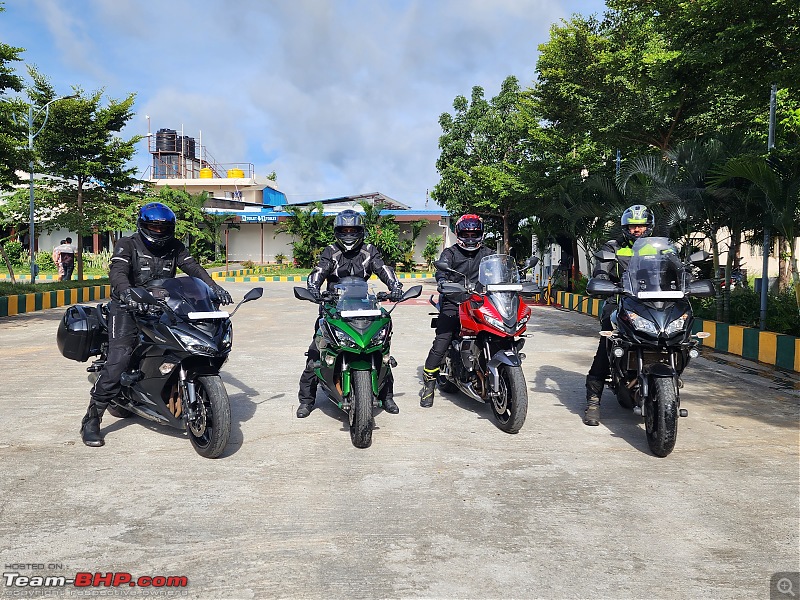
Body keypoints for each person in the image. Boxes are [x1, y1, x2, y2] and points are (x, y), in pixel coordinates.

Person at [80, 202, 233, 447]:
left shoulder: (175, 247)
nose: (159, 232)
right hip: (128, 306)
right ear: (143, 225)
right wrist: (127, 293)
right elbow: (117, 273)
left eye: (164, 228)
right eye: (154, 227)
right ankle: (92, 420)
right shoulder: (127, 244)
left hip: (163, 305)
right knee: (119, 358)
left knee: (186, 342)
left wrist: (213, 287)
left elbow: (193, 268)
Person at [296, 209, 404, 418]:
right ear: (337, 231)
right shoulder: (330, 251)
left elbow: (383, 269)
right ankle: (306, 401)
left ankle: (387, 396)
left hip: (365, 306)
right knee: (315, 353)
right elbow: (318, 272)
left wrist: (395, 286)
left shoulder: (369, 251)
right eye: (344, 230)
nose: (348, 234)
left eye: (352, 230)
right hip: (334, 308)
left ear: (360, 231)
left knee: (381, 351)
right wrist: (313, 289)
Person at [583, 204, 654, 426]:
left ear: (648, 227)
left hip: (654, 302)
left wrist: (688, 278)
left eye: (641, 226)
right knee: (608, 341)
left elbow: (678, 269)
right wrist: (603, 281)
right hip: (619, 301)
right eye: (633, 226)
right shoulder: (613, 247)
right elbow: (601, 271)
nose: (637, 230)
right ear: (625, 228)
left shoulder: (661, 248)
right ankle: (593, 400)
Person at [419, 214, 493, 408]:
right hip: (454, 301)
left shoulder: (487, 253)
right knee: (442, 341)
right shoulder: (450, 254)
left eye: (474, 233)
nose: (470, 238)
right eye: (466, 233)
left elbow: (498, 269)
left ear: (480, 234)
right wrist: (443, 282)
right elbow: (441, 272)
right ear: (459, 233)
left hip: (480, 301)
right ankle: (428, 386)